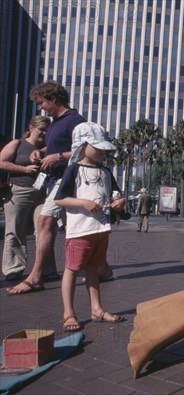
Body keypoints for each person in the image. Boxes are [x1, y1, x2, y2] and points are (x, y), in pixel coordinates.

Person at [7, 81, 85, 294]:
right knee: (74, 228)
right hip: (54, 181)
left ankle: (36, 276)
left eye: (42, 102)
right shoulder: (55, 122)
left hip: (66, 180)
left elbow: (86, 150)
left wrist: (58, 156)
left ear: (53, 99)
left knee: (44, 222)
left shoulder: (75, 121)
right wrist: (40, 152)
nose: (41, 107)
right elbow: (55, 146)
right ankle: (103, 270)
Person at [54, 122, 126, 331]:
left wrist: (119, 203)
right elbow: (60, 199)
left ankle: (97, 308)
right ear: (83, 145)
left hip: (101, 230)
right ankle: (68, 313)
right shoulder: (73, 169)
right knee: (72, 270)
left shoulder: (105, 171)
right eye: (98, 146)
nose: (103, 150)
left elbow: (116, 194)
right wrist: (83, 203)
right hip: (80, 231)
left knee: (93, 268)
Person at [1, 116, 50, 281]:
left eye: (46, 130)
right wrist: (23, 169)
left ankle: (46, 268)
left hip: (42, 193)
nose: (44, 133)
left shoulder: (46, 148)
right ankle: (13, 268)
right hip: (18, 191)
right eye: (41, 129)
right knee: (15, 230)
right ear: (31, 127)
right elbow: (1, 162)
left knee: (45, 230)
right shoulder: (18, 143)